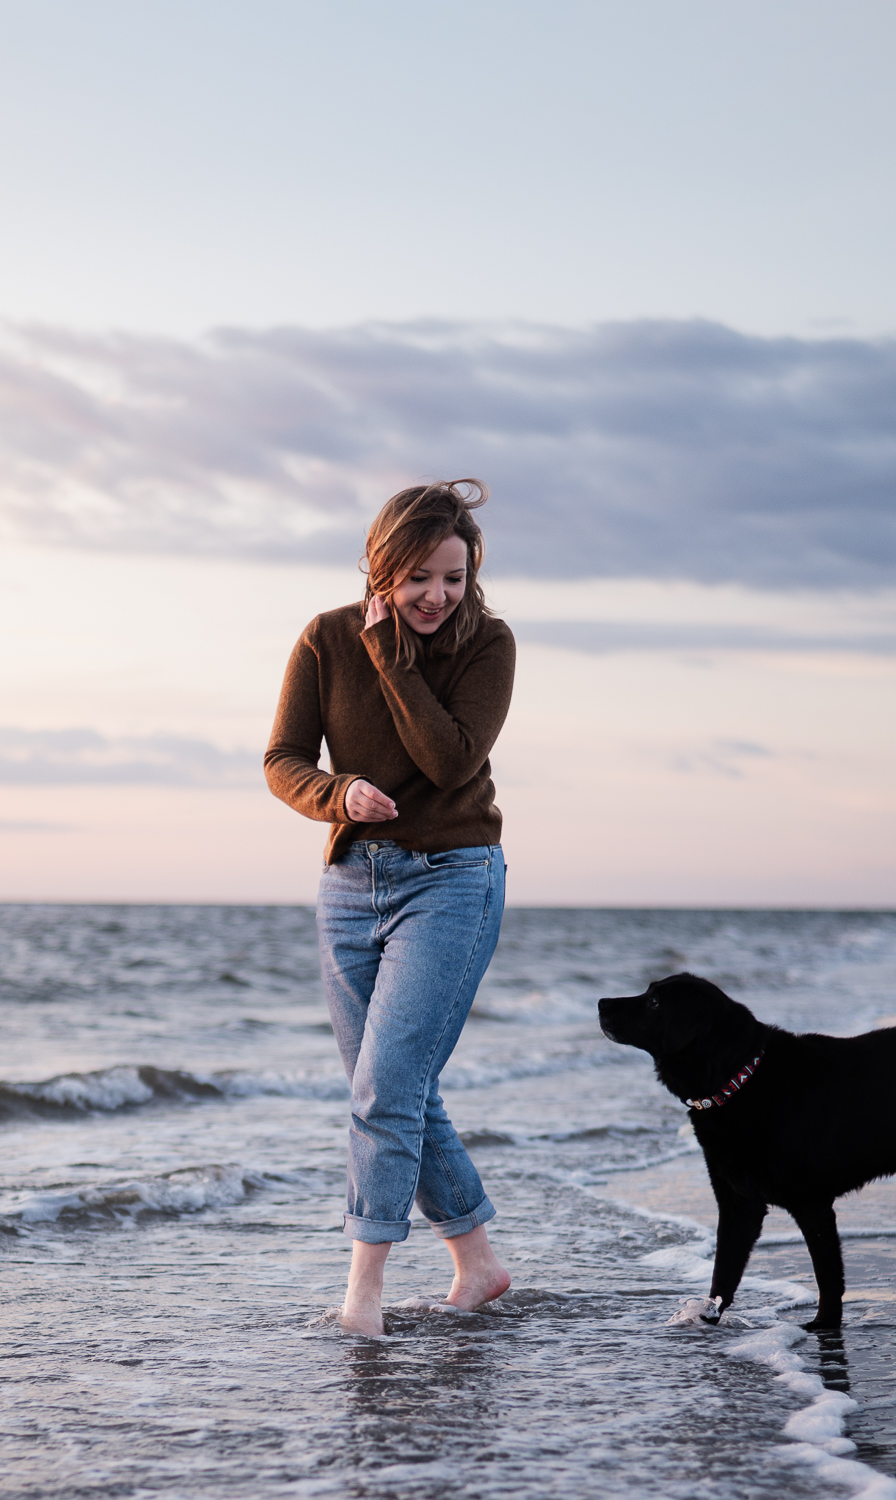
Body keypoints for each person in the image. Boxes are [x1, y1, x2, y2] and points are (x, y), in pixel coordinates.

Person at [264, 478, 515, 1336]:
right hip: (349, 885)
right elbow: (283, 759)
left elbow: (448, 762)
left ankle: (361, 1296)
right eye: (418, 580)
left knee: (386, 1086)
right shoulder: (325, 637)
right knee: (394, 1087)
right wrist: (336, 794)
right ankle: (477, 1264)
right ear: (381, 571)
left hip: (453, 878)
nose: (438, 596)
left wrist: (396, 660)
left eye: (453, 576)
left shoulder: (489, 644)